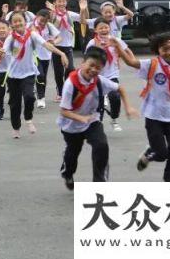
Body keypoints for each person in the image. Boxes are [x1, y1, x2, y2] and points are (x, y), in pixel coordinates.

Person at [114, 32, 170, 182]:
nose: (169, 52)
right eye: (164, 49)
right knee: (161, 154)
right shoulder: (152, 64)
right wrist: (118, 48)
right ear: (158, 50)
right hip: (154, 116)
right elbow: (131, 62)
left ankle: (169, 182)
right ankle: (149, 154)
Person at [58, 47, 138, 190]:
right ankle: (68, 173)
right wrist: (80, 118)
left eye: (98, 67)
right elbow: (64, 111)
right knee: (72, 153)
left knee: (101, 145)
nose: (94, 70)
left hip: (92, 121)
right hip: (71, 125)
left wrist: (128, 107)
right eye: (91, 65)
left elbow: (121, 89)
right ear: (83, 63)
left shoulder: (100, 81)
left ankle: (99, 181)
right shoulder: (71, 84)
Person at [0, 12, 69, 138]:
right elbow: (3, 51)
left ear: (25, 22)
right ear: (11, 25)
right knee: (14, 104)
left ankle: (28, 118)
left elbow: (47, 45)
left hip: (29, 73)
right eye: (14, 21)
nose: (18, 23)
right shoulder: (10, 38)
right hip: (13, 75)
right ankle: (16, 127)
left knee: (30, 97)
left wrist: (62, 54)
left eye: (19, 20)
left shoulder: (32, 35)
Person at [83, 18, 134, 132]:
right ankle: (98, 124)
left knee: (115, 97)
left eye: (106, 27)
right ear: (95, 30)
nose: (104, 30)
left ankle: (114, 119)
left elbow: (127, 50)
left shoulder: (114, 40)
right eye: (100, 28)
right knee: (98, 101)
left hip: (112, 74)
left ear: (109, 28)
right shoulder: (92, 43)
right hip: (97, 76)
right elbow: (87, 59)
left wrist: (133, 60)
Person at [46, 0, 86, 101]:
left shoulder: (70, 14)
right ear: (55, 3)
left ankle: (67, 89)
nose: (62, 3)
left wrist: (82, 9)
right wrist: (54, 12)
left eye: (63, 1)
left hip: (67, 46)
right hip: (56, 47)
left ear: (66, 3)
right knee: (58, 73)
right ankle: (60, 92)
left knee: (70, 69)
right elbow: (52, 25)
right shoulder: (52, 14)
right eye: (59, 1)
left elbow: (82, 20)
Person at [28, 9, 61, 109]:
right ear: (37, 16)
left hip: (46, 55)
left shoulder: (49, 27)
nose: (43, 23)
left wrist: (54, 41)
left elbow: (60, 37)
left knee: (43, 76)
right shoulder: (29, 25)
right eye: (41, 20)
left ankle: (41, 97)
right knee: (40, 74)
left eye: (45, 21)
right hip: (33, 54)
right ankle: (40, 97)